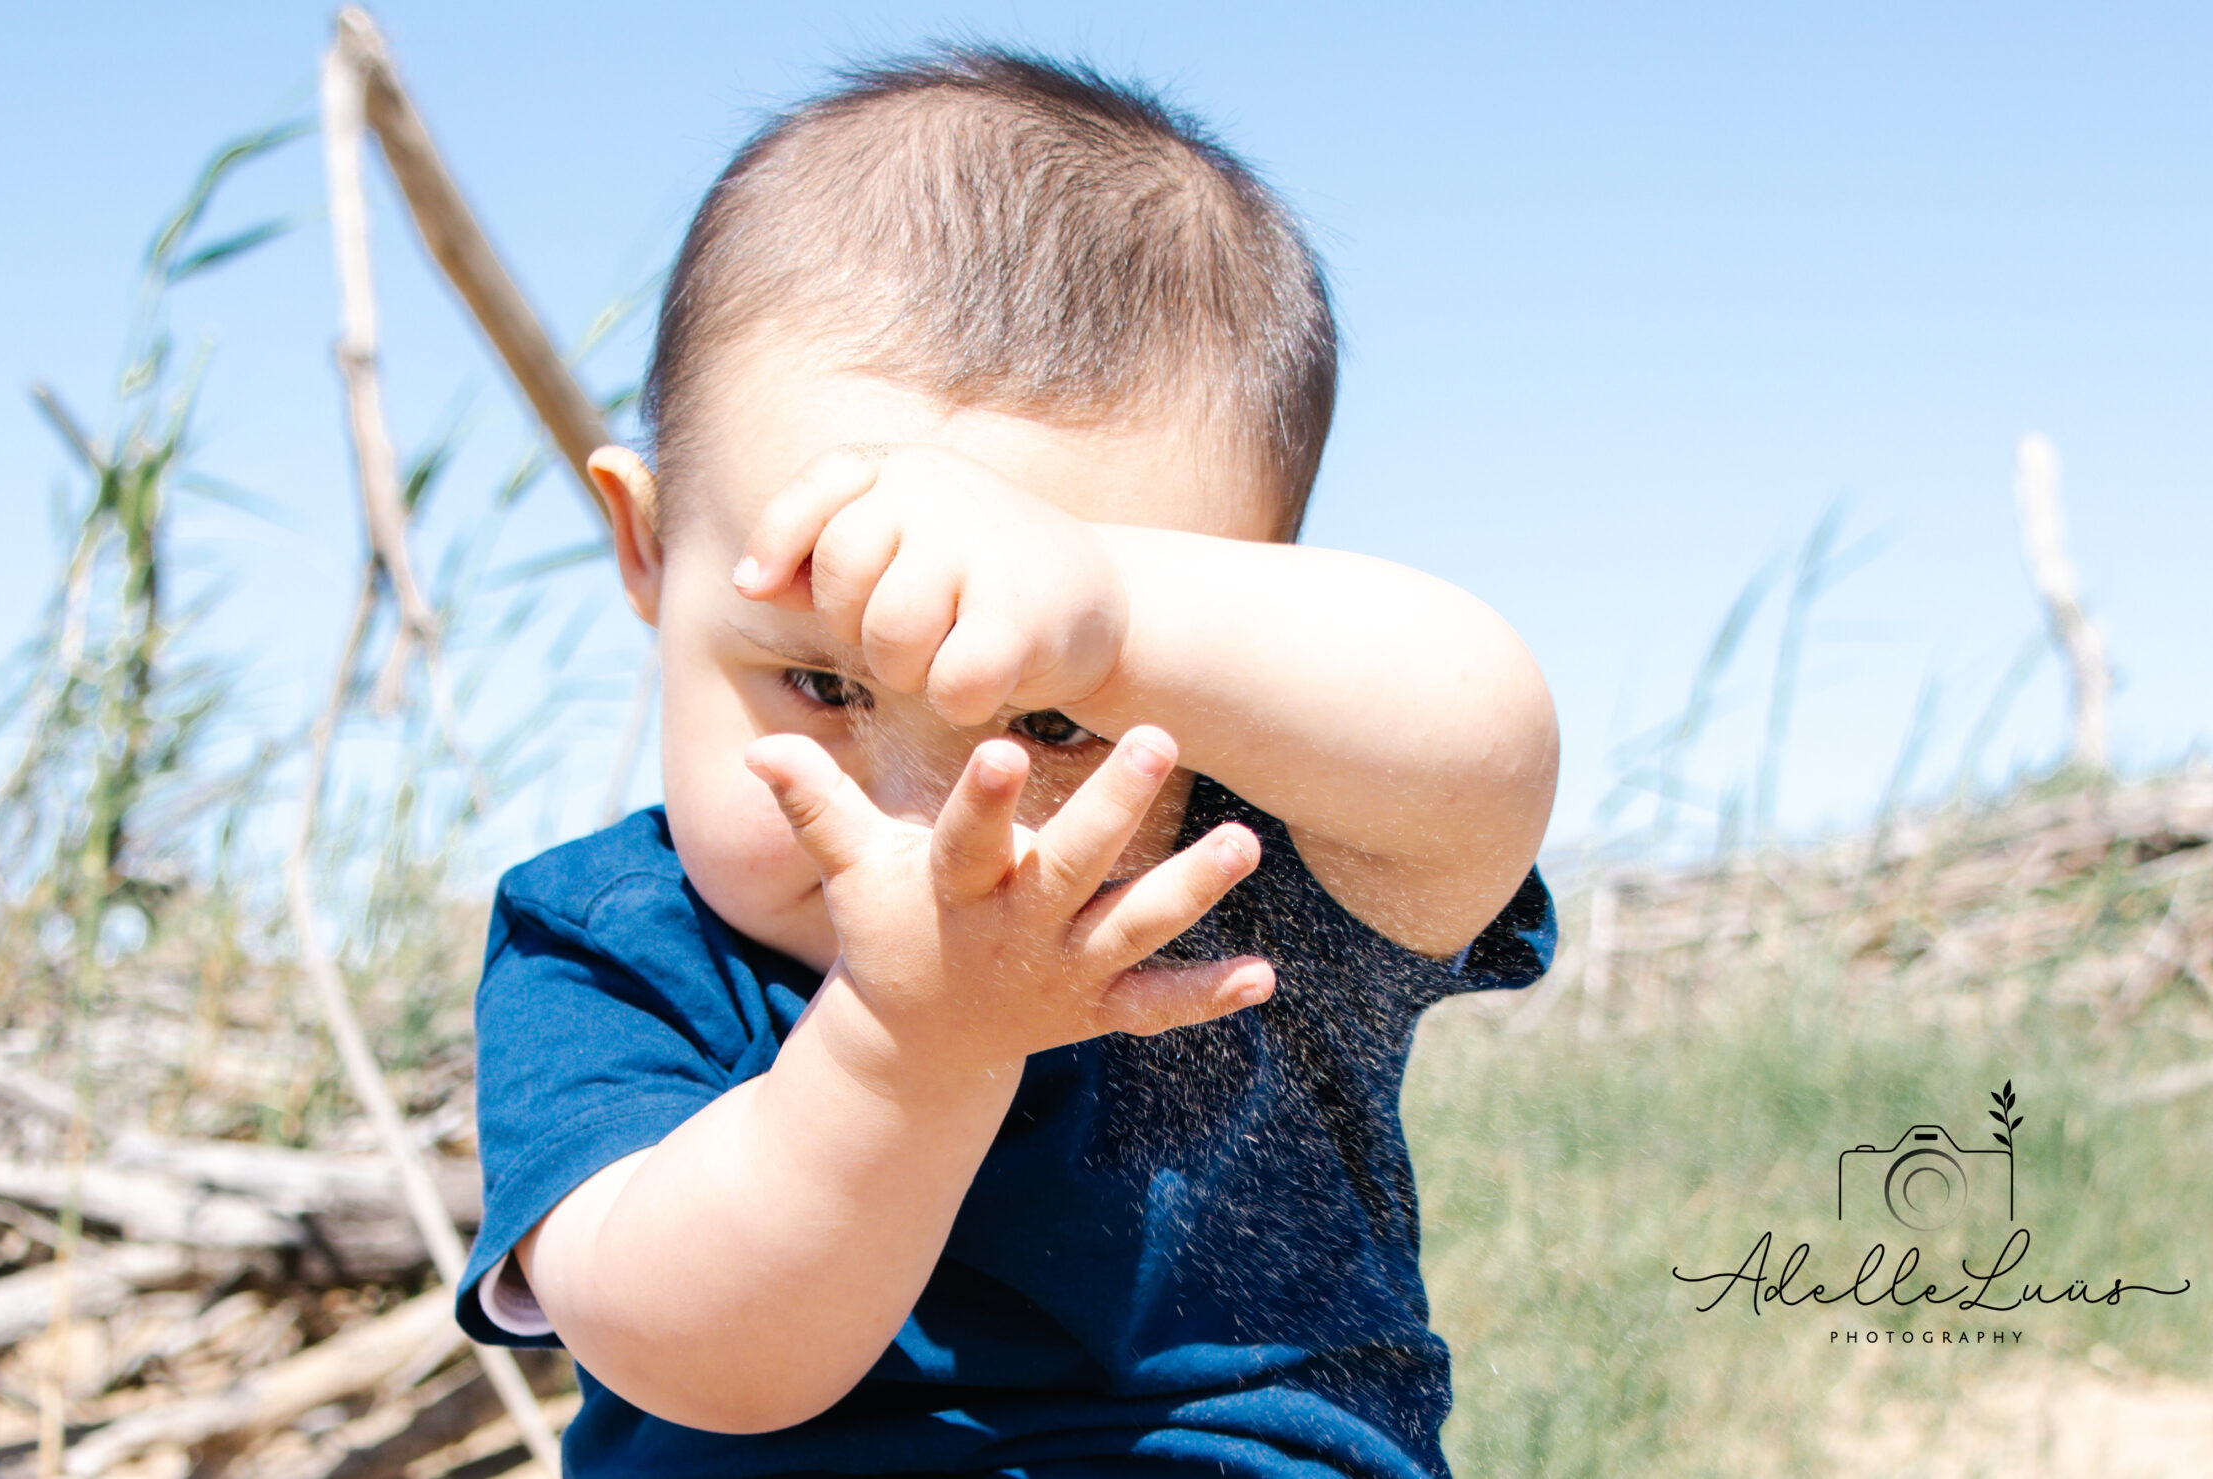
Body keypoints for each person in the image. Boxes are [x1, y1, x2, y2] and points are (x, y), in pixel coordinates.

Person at [454, 46, 1561, 1479]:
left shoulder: (1256, 875)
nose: (926, 823)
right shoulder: (613, 951)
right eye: (826, 685)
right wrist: (910, 1048)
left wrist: (1119, 612)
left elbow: (1487, 752)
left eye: (1053, 723)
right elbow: (695, 1353)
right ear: (650, 549)